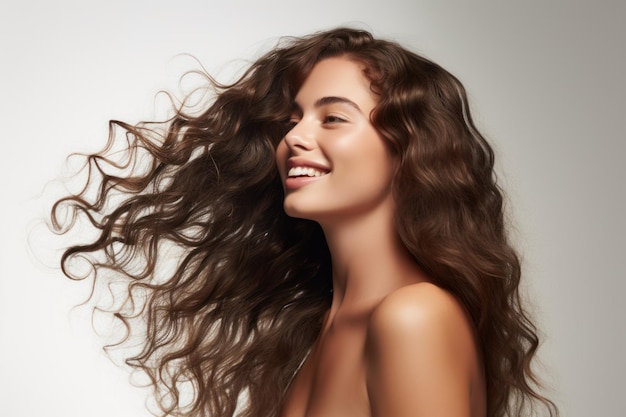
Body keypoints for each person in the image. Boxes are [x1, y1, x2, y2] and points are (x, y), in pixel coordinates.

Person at [51, 28, 558, 417]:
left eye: (332, 118)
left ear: (409, 151)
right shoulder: (325, 326)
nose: (294, 138)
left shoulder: (414, 317)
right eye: (294, 119)